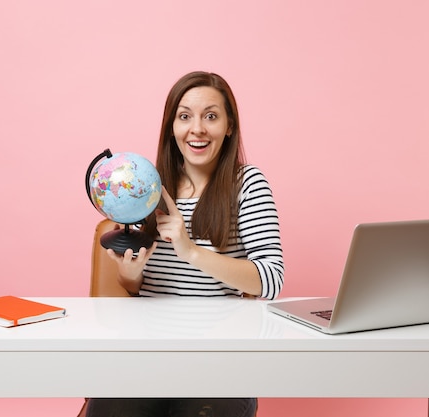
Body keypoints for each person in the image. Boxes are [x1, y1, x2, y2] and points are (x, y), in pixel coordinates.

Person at [84, 71, 284, 417]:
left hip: (218, 364)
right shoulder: (147, 188)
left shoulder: (247, 184)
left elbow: (270, 279)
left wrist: (190, 250)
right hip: (146, 359)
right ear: (171, 127)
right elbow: (144, 289)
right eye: (185, 116)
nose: (197, 129)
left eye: (211, 116)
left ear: (229, 126)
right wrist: (131, 278)